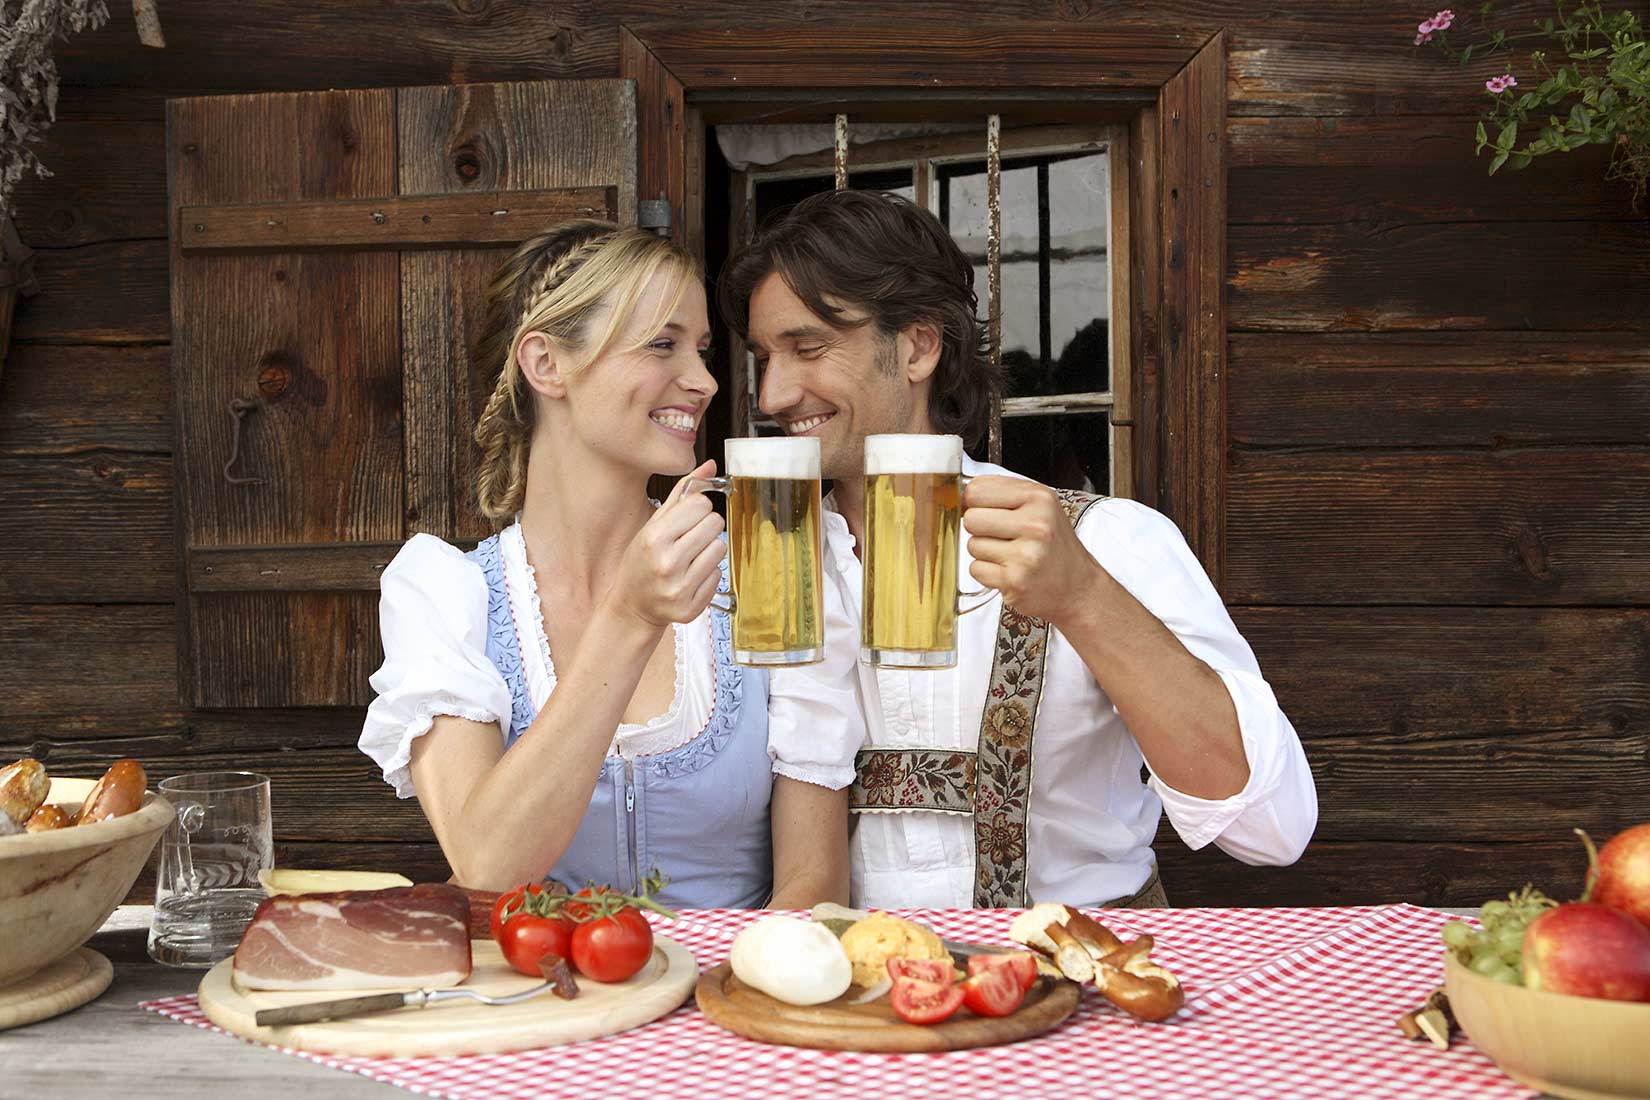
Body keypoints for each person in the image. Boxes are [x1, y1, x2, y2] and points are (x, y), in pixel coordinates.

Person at [719, 190, 1317, 910]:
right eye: (763, 358)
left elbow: (1272, 827)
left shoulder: (1106, 540)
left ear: (917, 346)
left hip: (1083, 985)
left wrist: (1086, 599)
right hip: (865, 989)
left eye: (808, 347)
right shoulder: (757, 561)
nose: (774, 394)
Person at [358, 221, 849, 908]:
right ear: (546, 364)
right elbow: (488, 864)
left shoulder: (769, 565)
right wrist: (629, 618)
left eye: (702, 350)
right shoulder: (443, 594)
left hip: (727, 997)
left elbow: (814, 883)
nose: (704, 381)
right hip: (544, 998)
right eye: (662, 344)